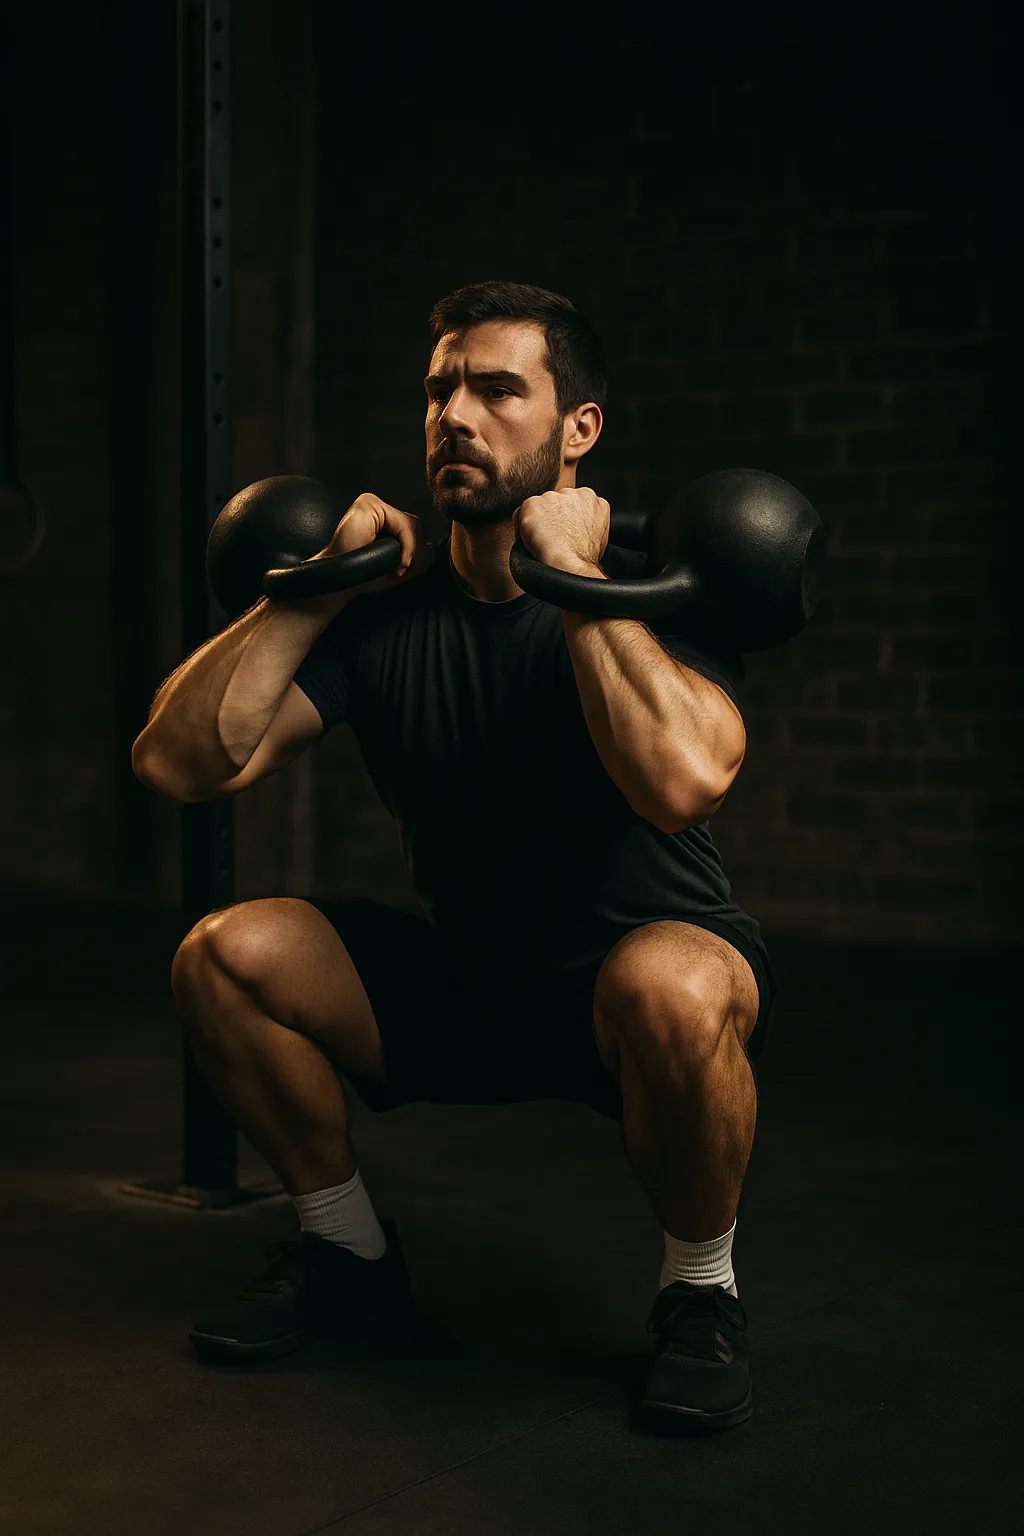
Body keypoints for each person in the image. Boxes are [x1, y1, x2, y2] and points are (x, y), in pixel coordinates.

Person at [132, 280, 775, 1434]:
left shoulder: (658, 590)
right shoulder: (386, 612)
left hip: (634, 978)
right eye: (439, 391)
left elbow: (682, 782)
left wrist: (576, 584)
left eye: (496, 389)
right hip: (468, 975)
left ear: (578, 428)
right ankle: (348, 1255)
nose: (455, 417)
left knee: (672, 985)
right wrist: (313, 595)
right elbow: (180, 763)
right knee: (223, 955)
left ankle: (700, 1296)